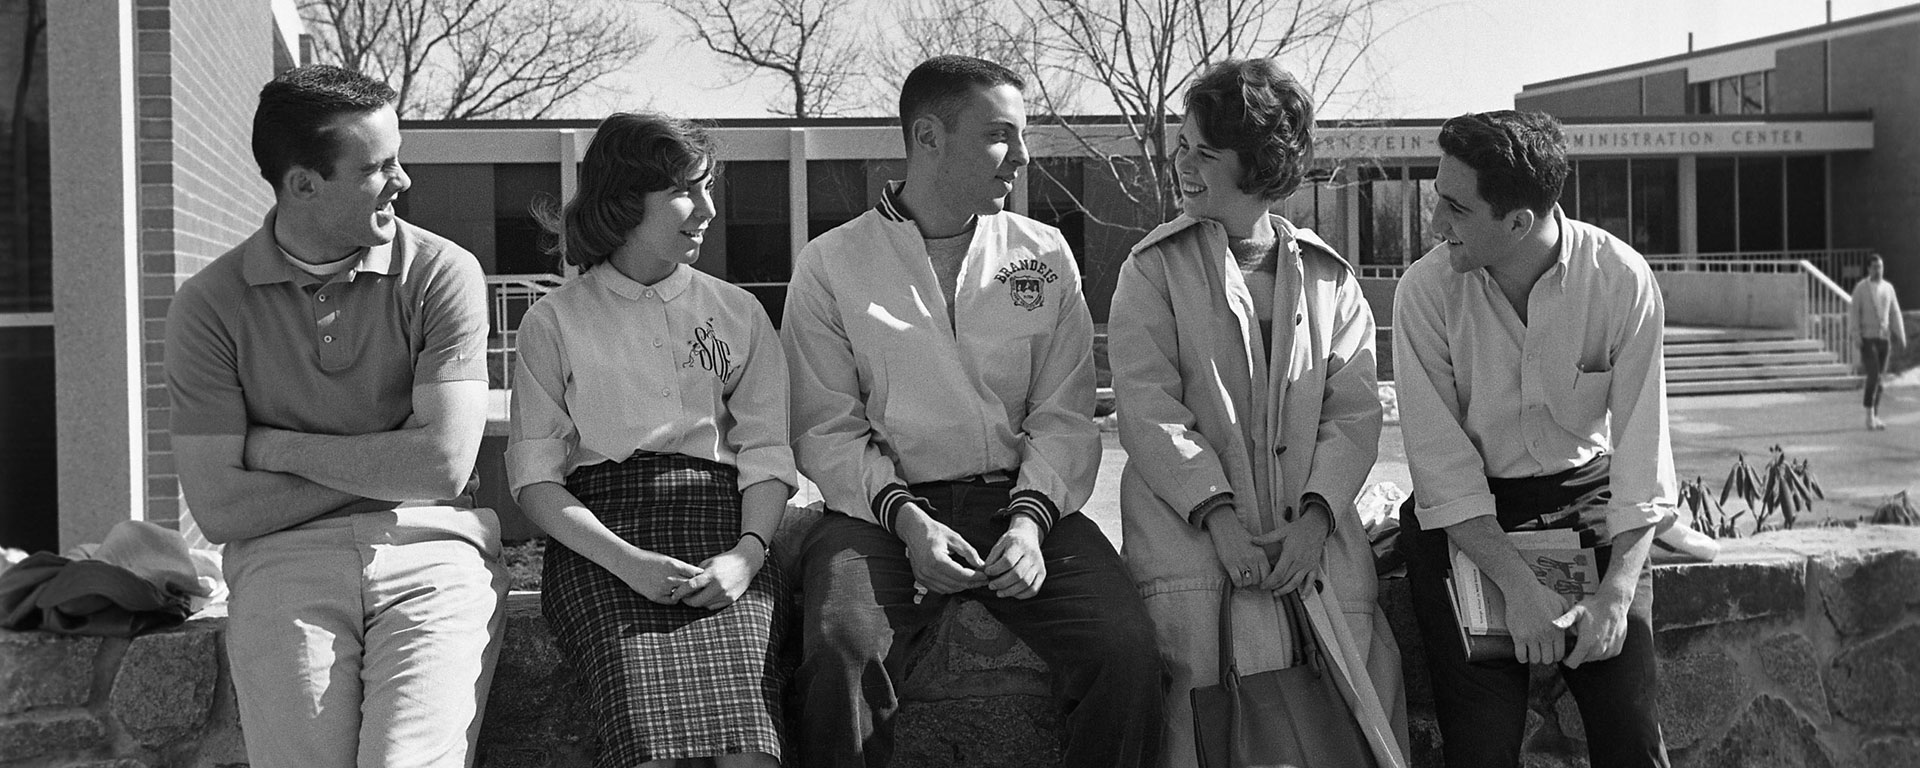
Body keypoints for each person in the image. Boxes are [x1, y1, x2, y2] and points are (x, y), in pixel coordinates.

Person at [783, 54, 1166, 768]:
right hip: (878, 516)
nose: (1022, 156)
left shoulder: (1043, 252)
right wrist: (908, 523)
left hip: (1020, 506)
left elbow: (1064, 413)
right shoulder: (831, 264)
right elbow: (825, 428)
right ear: (928, 137)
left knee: (1127, 650)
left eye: (1021, 136)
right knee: (840, 651)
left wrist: (1029, 524)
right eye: (999, 135)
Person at [165, 65, 504, 768]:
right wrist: (391, 461)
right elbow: (221, 507)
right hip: (281, 563)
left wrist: (275, 448)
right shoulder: (208, 304)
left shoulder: (443, 273)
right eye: (377, 167)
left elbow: (443, 466)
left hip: (433, 554)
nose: (402, 180)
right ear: (303, 184)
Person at [1109, 58, 1407, 768]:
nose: (1183, 165)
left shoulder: (1330, 279)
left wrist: (1315, 520)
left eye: (1204, 153)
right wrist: (1218, 518)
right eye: (1182, 146)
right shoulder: (1152, 270)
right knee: (1206, 732)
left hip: (1318, 552)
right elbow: (1149, 410)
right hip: (1192, 553)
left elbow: (1354, 414)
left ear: (1261, 164)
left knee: (1350, 723)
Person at [506, 112, 795, 768]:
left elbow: (767, 454)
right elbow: (535, 478)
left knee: (750, 748)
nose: (709, 210)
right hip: (600, 543)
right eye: (685, 191)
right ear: (625, 201)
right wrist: (628, 562)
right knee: (647, 747)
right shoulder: (554, 322)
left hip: (726, 529)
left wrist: (746, 557)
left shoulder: (739, 312)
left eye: (708, 186)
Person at [1393, 110, 1672, 768]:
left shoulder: (1621, 279)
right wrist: (1518, 589)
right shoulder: (1424, 293)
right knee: (1481, 747)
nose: (1435, 224)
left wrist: (1618, 593)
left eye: (1455, 208)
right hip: (1469, 519)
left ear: (1518, 223)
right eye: (1437, 198)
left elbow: (1643, 454)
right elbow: (1442, 471)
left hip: (1588, 502)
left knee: (1632, 736)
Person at [1851, 254, 1906, 430]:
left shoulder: (1888, 288)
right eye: (1874, 267)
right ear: (1868, 269)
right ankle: (1868, 416)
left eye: (1880, 266)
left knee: (1880, 379)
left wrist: (1901, 334)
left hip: (1884, 338)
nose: (1878, 270)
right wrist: (1856, 335)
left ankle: (1875, 415)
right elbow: (1854, 313)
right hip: (1868, 339)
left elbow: (1895, 311)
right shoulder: (1861, 288)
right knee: (1873, 375)